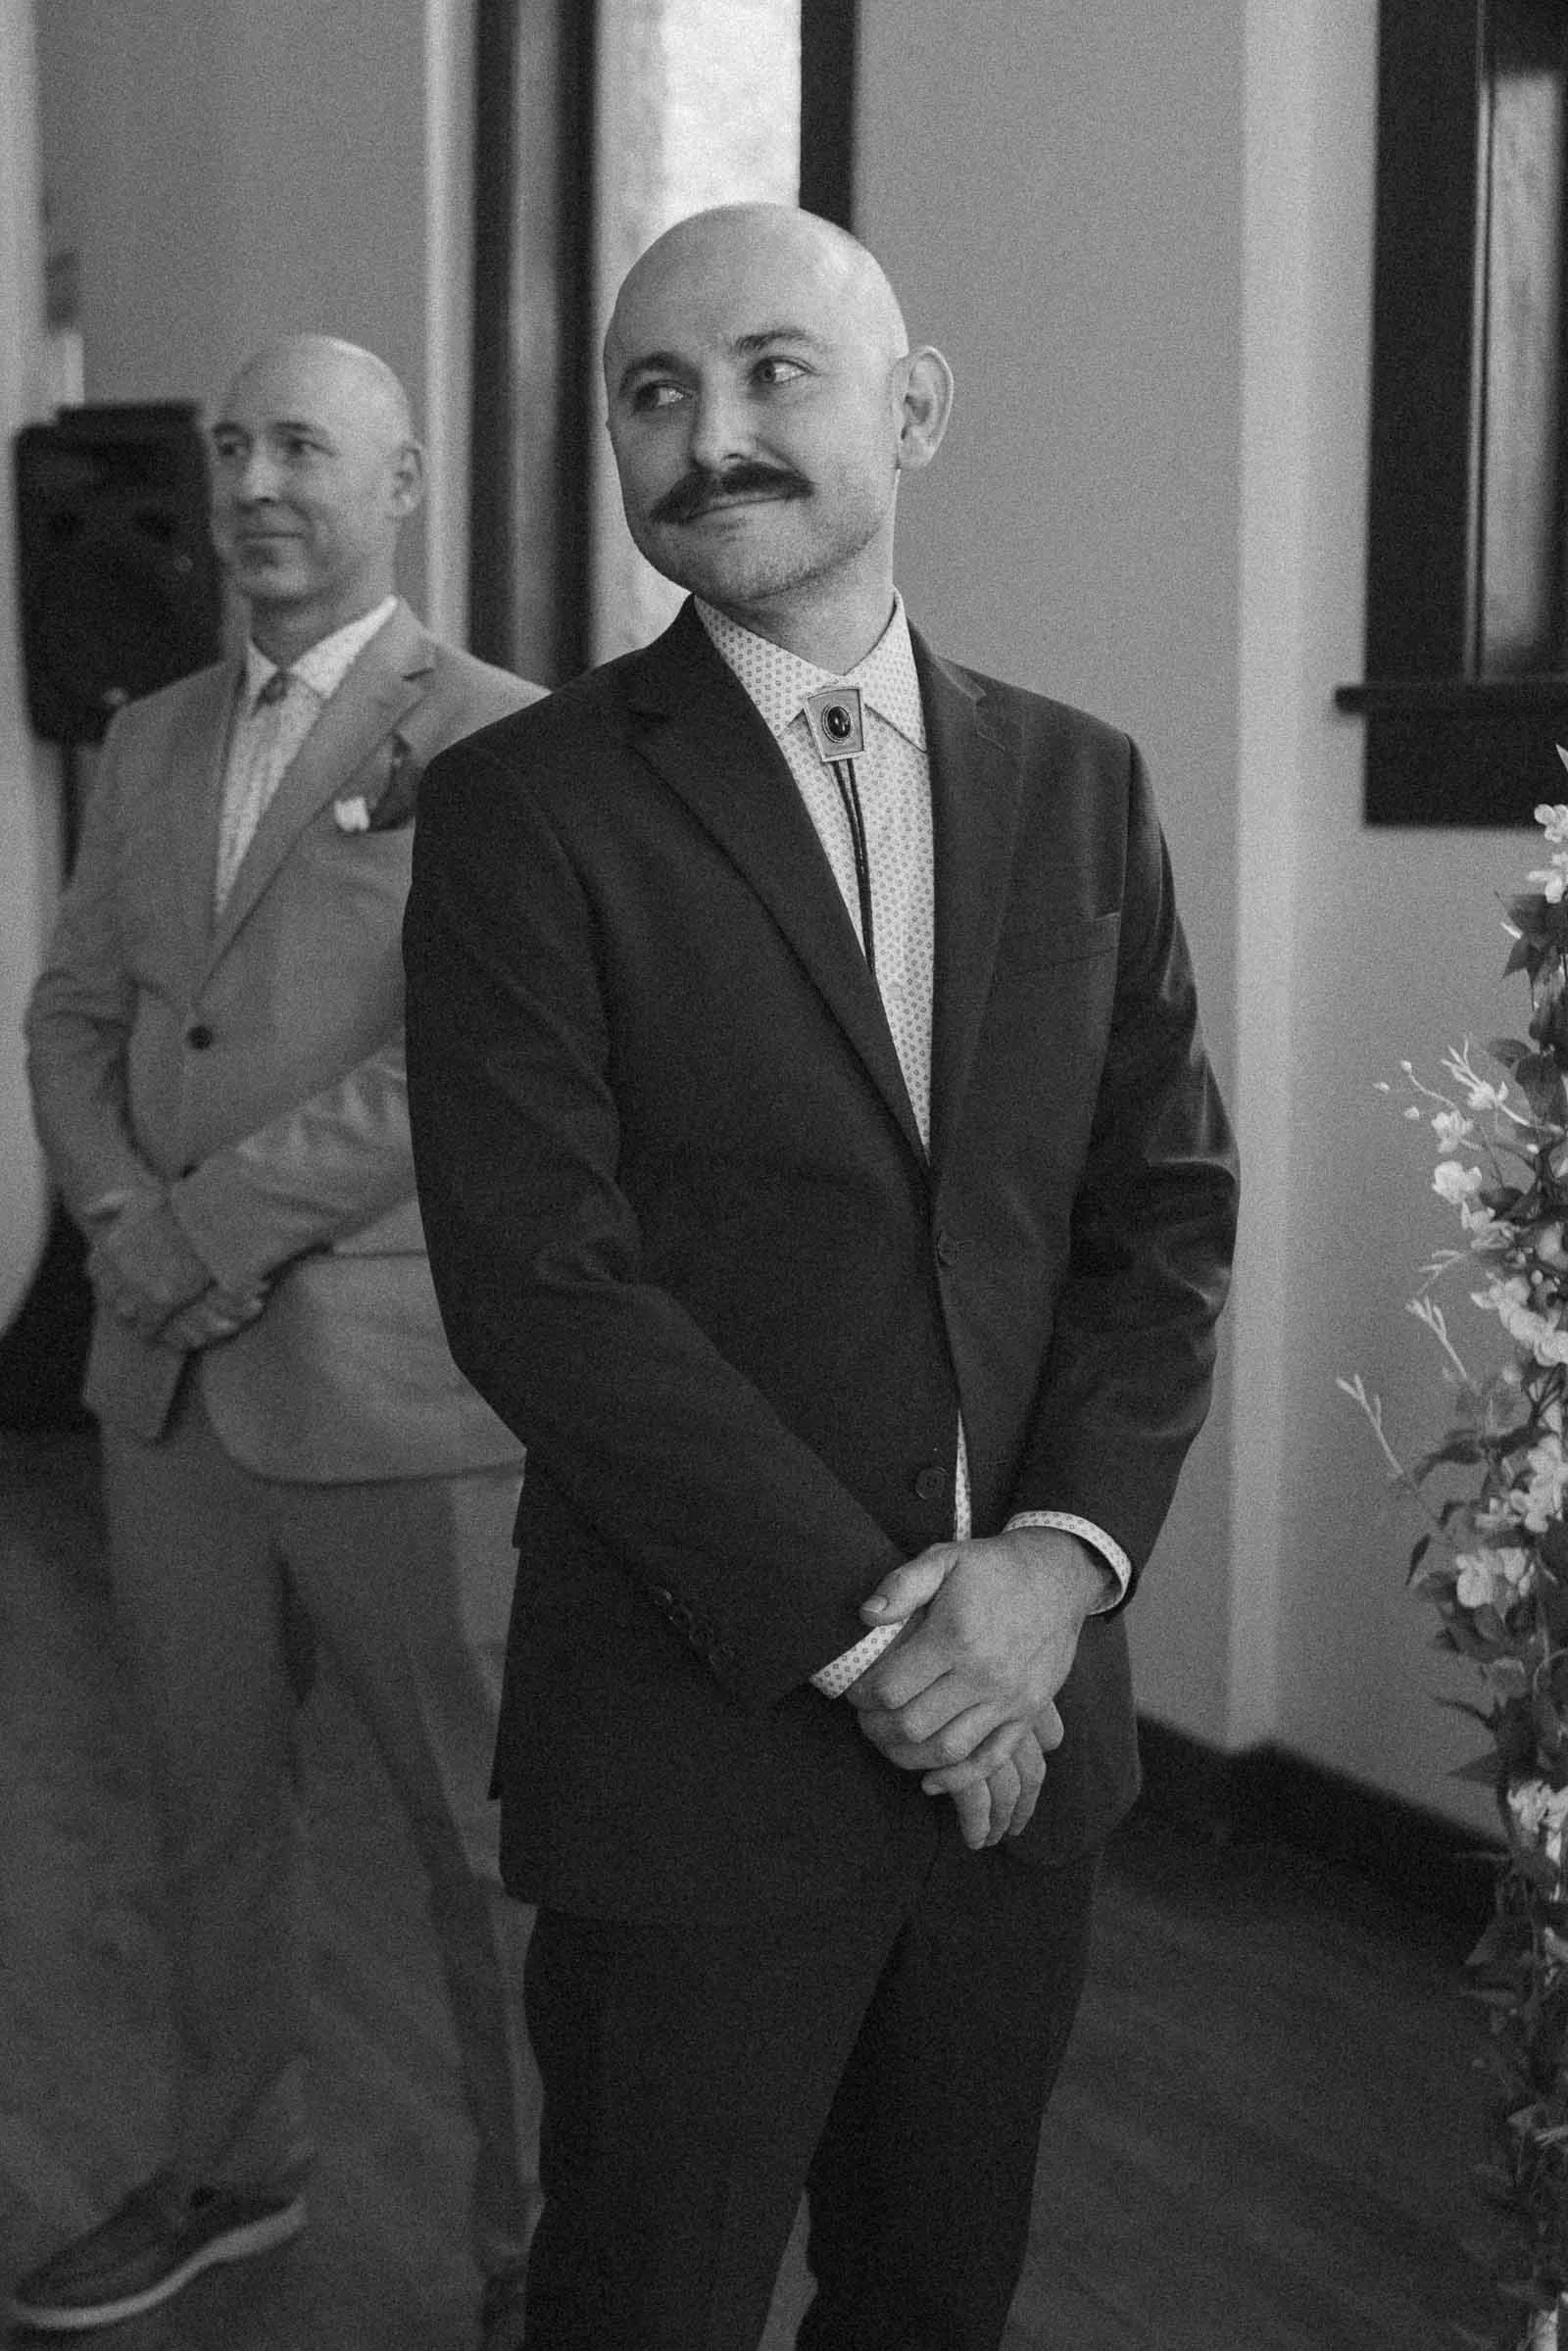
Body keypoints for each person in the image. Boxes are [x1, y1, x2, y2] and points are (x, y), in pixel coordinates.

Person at [402, 206, 1240, 2351]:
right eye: (654, 392)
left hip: (1024, 1755)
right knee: (641, 2300)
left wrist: (1047, 1574)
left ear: (912, 406)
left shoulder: (1079, 785)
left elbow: (1160, 1215)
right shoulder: (523, 806)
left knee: (931, 2295)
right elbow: (541, 1280)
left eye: (773, 371)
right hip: (697, 1749)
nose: (710, 435)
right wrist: (890, 1651)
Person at [17, 336, 545, 2348]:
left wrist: (205, 1226)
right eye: (230, 443)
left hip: (404, 1395)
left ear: (399, 477)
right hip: (167, 1394)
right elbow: (74, 1018)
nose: (252, 480)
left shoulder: (499, 735)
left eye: (299, 444)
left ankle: (539, 2253)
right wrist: (120, 1227)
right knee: (207, 1809)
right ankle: (235, 2167)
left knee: (485, 1846)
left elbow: (471, 1054)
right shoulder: (147, 735)